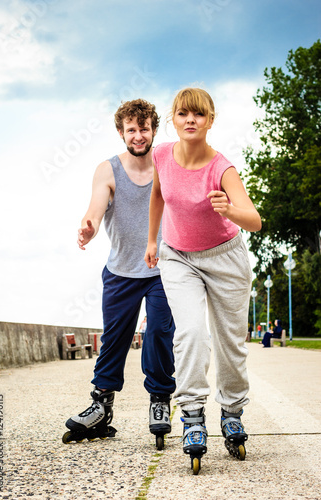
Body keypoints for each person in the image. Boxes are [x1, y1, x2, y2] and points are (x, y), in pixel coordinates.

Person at [144, 87, 262, 472]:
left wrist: (230, 209)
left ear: (210, 121)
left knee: (230, 341)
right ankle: (192, 413)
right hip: (178, 257)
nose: (189, 120)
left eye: (198, 114)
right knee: (191, 332)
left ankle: (231, 410)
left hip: (225, 258)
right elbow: (158, 195)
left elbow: (254, 219)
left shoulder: (222, 168)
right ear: (174, 120)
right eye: (182, 114)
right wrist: (152, 239)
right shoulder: (161, 154)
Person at [63, 99, 175, 447]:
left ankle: (159, 401)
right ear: (121, 132)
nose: (138, 135)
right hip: (121, 272)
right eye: (131, 129)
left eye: (144, 128)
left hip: (162, 269)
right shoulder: (108, 170)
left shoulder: (168, 164)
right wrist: (89, 226)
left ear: (154, 129)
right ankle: (101, 406)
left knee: (158, 331)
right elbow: (97, 205)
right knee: (114, 339)